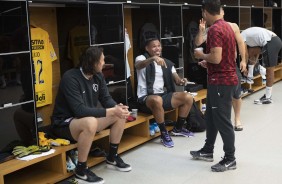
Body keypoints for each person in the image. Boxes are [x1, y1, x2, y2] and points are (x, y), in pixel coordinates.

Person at [51, 47, 131, 184]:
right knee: (91, 122)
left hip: (86, 120)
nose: (104, 63)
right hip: (65, 123)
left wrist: (117, 107)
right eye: (102, 60)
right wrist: (111, 111)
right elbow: (79, 111)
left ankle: (112, 157)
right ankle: (81, 170)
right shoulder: (70, 77)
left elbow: (106, 98)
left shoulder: (98, 75)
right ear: (92, 63)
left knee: (119, 114)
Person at [191, 0, 238, 172]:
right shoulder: (227, 26)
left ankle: (230, 158)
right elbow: (227, 55)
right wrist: (208, 62)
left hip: (221, 82)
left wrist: (201, 55)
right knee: (210, 116)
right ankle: (207, 150)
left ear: (205, 12)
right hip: (220, 79)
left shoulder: (216, 30)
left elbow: (216, 57)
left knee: (223, 120)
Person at [135, 37, 194, 148]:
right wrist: (153, 59)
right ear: (147, 48)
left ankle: (178, 128)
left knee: (188, 97)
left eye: (159, 46)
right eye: (154, 46)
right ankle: (164, 133)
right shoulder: (142, 58)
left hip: (163, 95)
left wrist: (182, 81)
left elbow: (177, 80)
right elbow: (138, 65)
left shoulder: (166, 62)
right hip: (146, 98)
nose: (157, 48)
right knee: (157, 99)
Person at [194, 8, 246, 131]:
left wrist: (243, 60)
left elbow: (240, 43)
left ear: (222, 13)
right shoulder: (211, 30)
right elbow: (198, 43)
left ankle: (237, 119)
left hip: (231, 66)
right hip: (215, 69)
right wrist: (201, 31)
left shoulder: (232, 26)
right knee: (215, 96)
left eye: (220, 11)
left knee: (236, 94)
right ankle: (216, 123)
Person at [240, 27, 282, 104]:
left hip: (271, 42)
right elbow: (253, 53)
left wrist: (244, 66)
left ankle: (268, 98)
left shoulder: (241, 36)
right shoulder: (249, 37)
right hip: (273, 40)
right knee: (251, 52)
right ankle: (250, 77)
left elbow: (245, 53)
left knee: (269, 70)